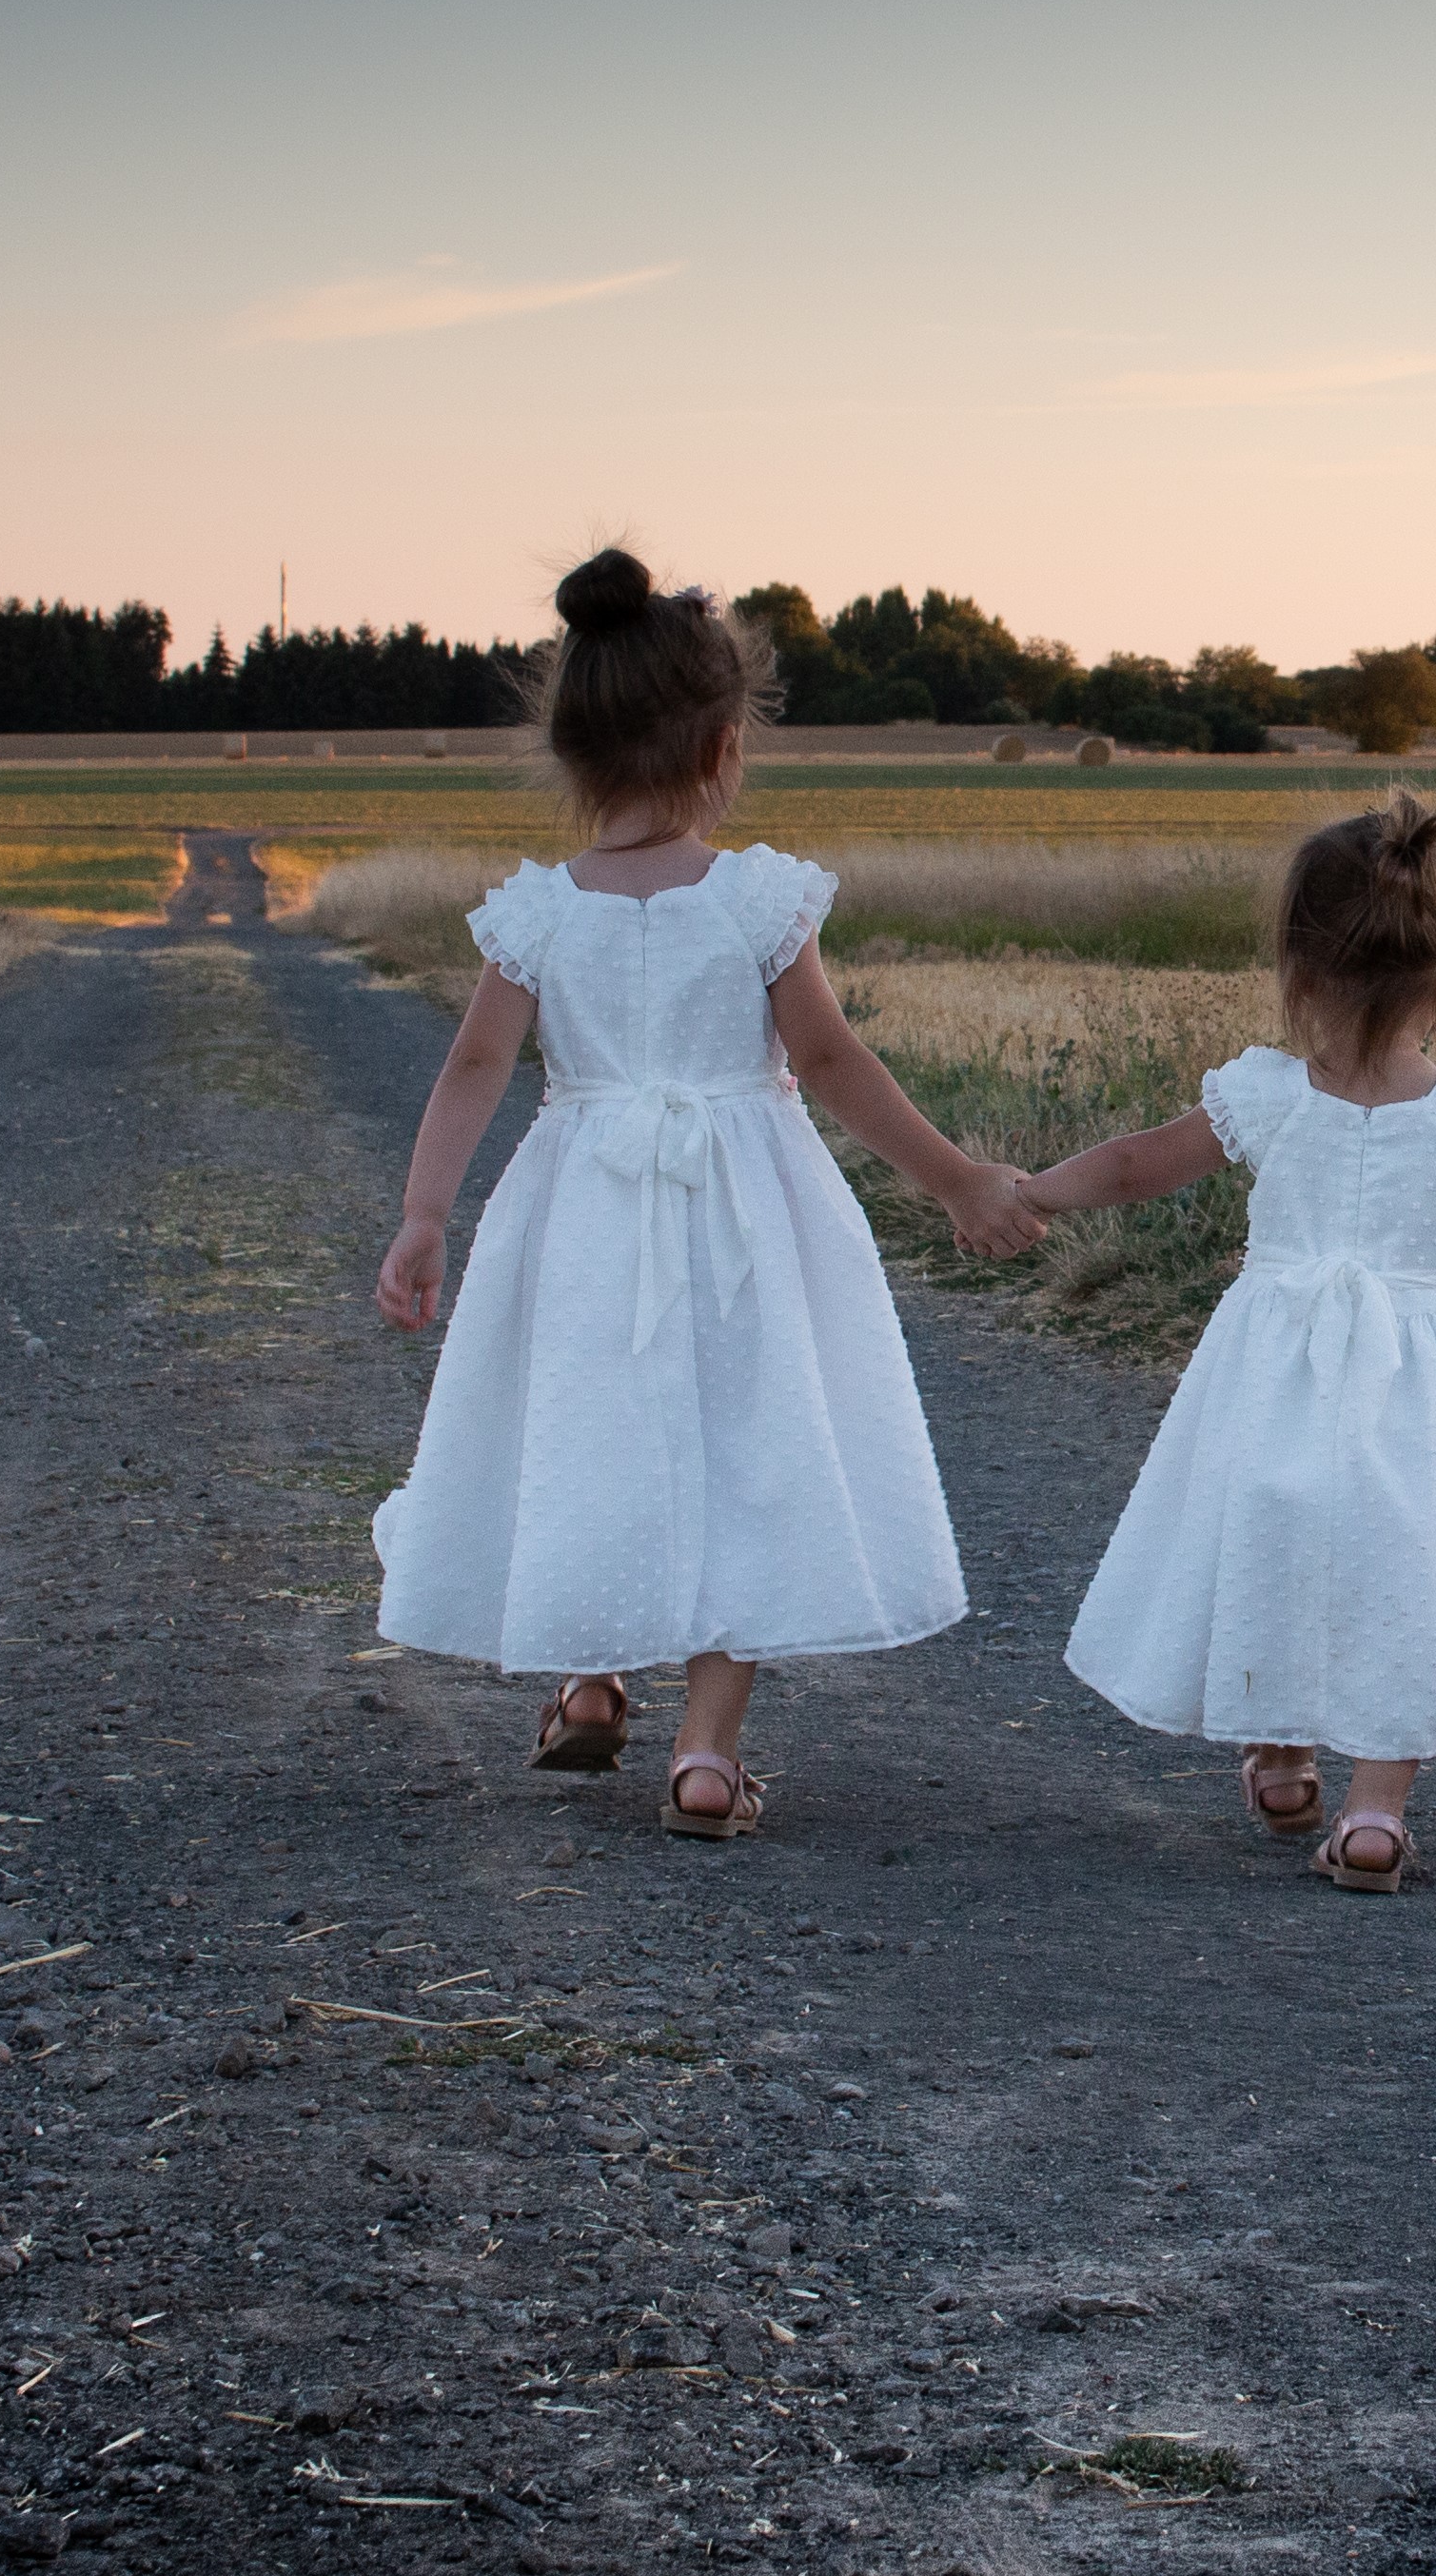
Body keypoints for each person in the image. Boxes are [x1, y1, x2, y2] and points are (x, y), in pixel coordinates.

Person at [370, 546, 1041, 1835]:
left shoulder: (538, 915)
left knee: (594, 1434)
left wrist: (422, 1213)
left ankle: (585, 1683)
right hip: (747, 1212)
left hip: (580, 1215)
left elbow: (472, 1065)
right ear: (723, 747)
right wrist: (952, 1176)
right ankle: (705, 1754)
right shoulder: (753, 900)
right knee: (747, 1450)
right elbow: (831, 1061)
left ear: (566, 754)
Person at [1017, 795, 1436, 1891]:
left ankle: (1283, 1752)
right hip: (1431, 1390)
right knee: (1411, 1571)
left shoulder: (1265, 1096)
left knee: (1274, 1532)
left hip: (1279, 1371)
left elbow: (1140, 1164)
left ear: (1296, 963)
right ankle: (1374, 1812)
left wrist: (1030, 1190)